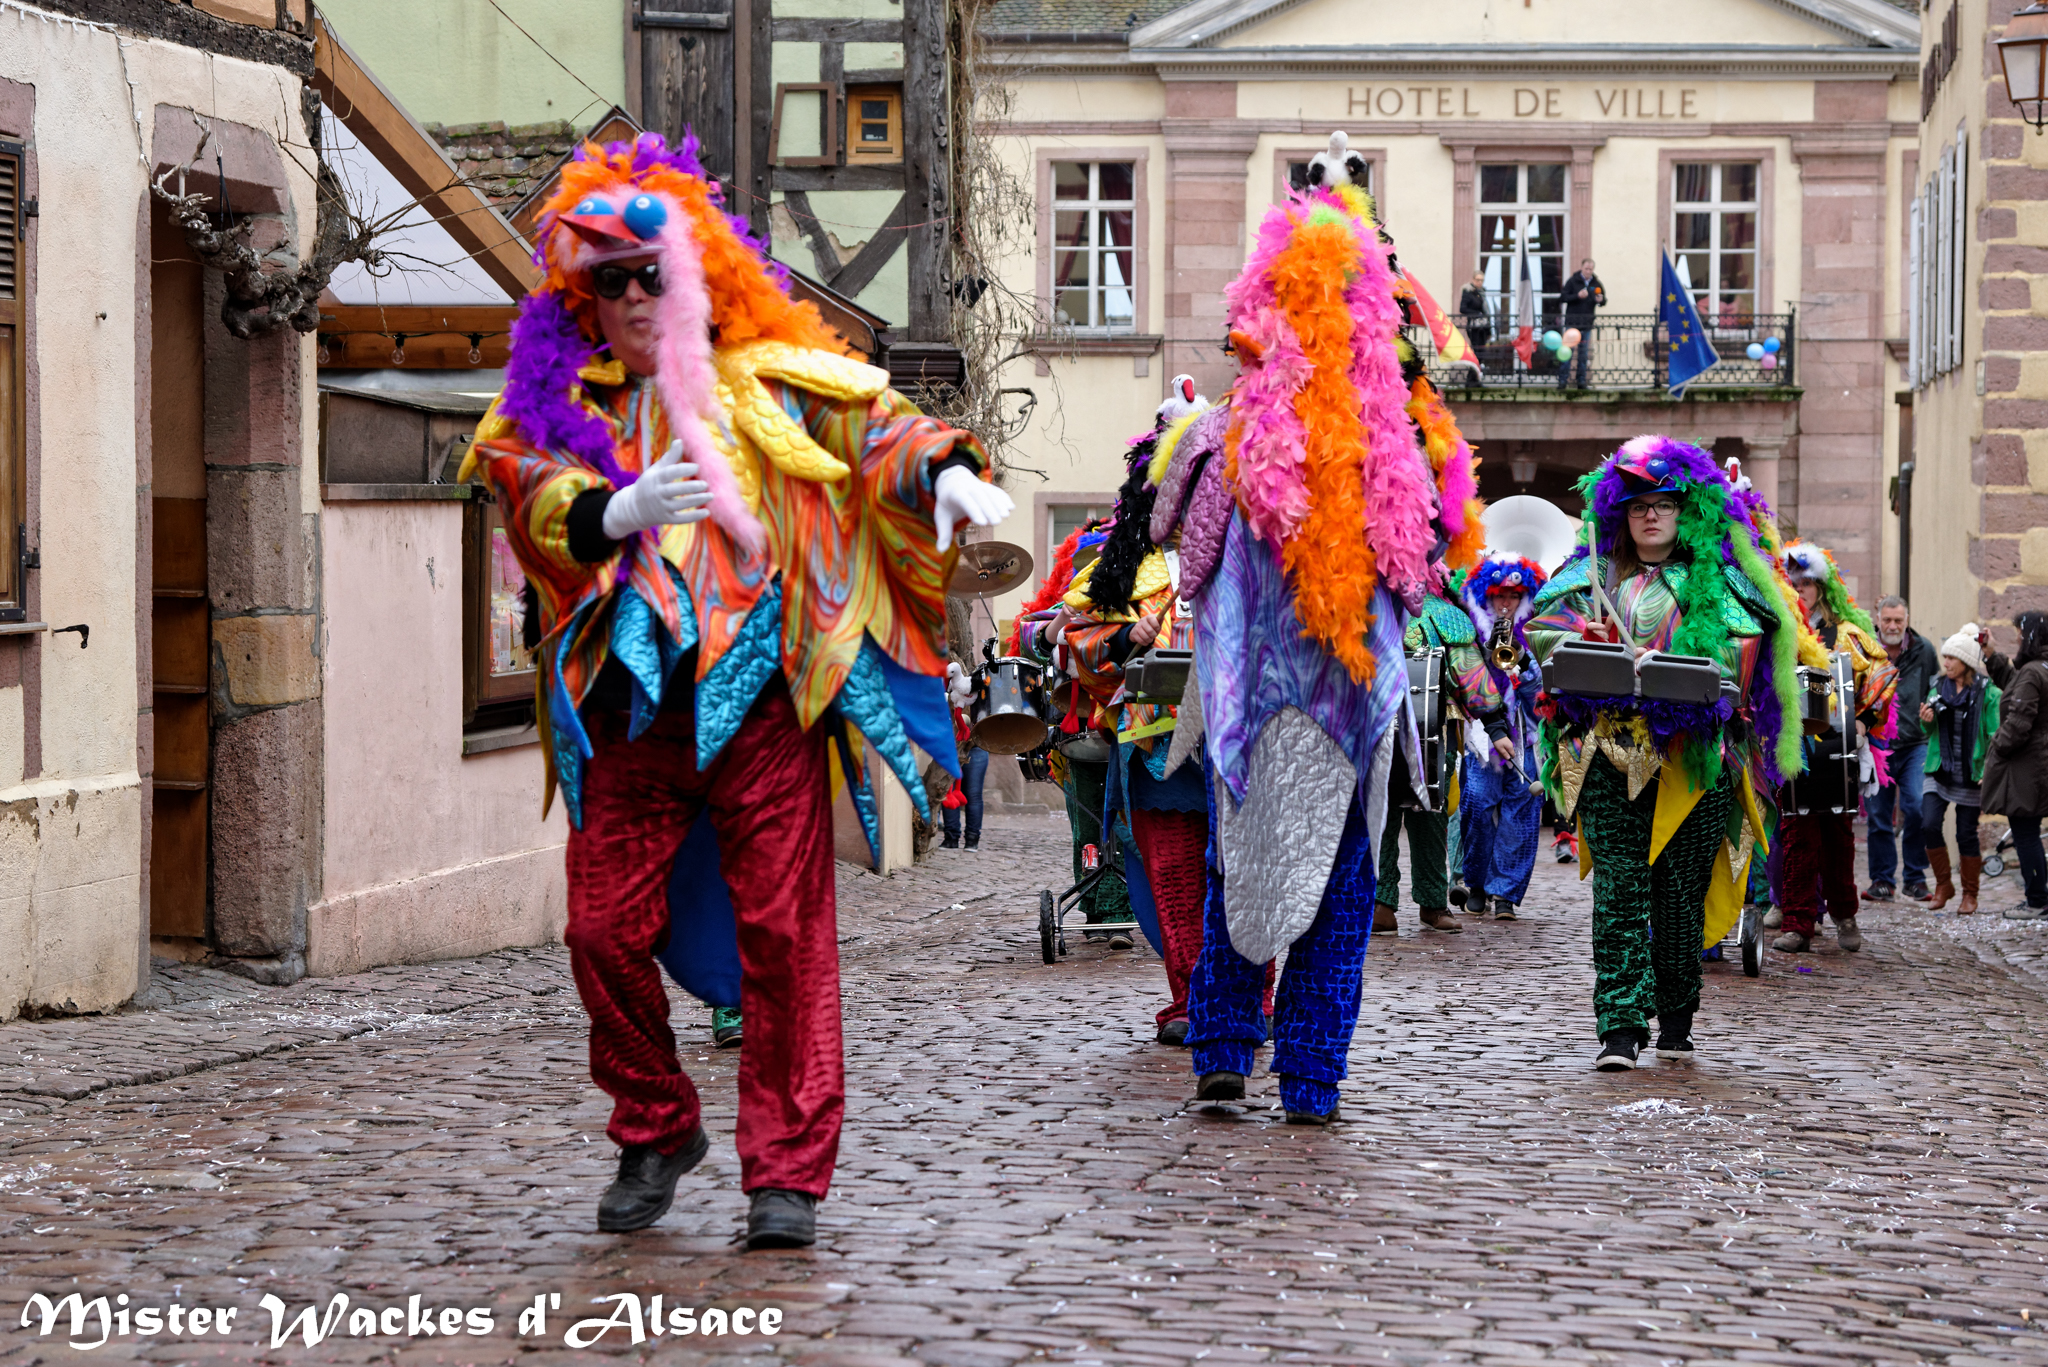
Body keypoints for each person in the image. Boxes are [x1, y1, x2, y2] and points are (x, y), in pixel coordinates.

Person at [463, 133, 1010, 1244]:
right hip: (629, 714)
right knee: (597, 928)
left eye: (645, 273)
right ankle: (656, 1121)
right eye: (601, 276)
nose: (624, 294)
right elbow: (519, 471)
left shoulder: (766, 382)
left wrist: (949, 469)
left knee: (784, 934)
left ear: (695, 272)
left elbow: (874, 422)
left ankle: (787, 1175)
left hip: (765, 706)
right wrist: (604, 512)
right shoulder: (566, 397)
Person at [1160, 134, 1485, 1122]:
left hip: (1349, 707)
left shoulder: (1403, 448)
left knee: (1341, 888)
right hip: (1252, 707)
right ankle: (1222, 1046)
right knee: (1237, 872)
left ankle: (1308, 1069)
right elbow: (1186, 557)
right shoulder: (1228, 435)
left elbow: (1428, 564)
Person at [1527, 437, 1803, 1070]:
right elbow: (1541, 633)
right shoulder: (1592, 571)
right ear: (1619, 512)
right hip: (1608, 752)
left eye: (1666, 503)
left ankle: (1677, 1015)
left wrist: (1673, 657)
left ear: (1688, 511)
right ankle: (1619, 1029)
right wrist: (1582, 636)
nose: (1651, 515)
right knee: (1618, 892)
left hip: (1695, 760)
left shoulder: (1717, 580)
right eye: (1638, 505)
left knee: (1679, 897)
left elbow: (1745, 650)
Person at [1054, 379, 1216, 1038]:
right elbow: (1068, 640)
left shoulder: (1251, 545)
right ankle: (1192, 996)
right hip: (1156, 745)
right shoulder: (1117, 559)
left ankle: (1243, 1001)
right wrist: (1126, 638)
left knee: (1242, 873)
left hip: (1242, 739)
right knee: (1174, 876)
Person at [1768, 543, 1897, 954]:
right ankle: (1798, 923)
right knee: (1796, 837)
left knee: (1838, 838)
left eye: (1808, 582)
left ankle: (1845, 915)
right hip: (1793, 748)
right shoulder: (1779, 632)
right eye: (1796, 583)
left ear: (1821, 587)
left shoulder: (1844, 633)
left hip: (1838, 749)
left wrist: (1864, 720)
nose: (1802, 589)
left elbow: (1882, 674)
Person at [1375, 570, 1498, 934]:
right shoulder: (1364, 602)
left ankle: (1431, 902)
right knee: (1379, 817)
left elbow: (1473, 679)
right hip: (1376, 728)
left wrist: (1496, 725)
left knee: (1430, 815)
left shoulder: (1446, 615)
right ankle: (1381, 902)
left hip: (1432, 729)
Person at [1457, 555, 1547, 920]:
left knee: (1523, 810)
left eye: (1513, 596)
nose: (1505, 604)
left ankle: (1505, 893)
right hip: (1482, 737)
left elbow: (1540, 694)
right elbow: (1464, 680)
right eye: (1498, 597)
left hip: (1522, 734)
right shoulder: (1469, 630)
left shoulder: (1535, 632)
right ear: (1487, 598)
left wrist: (1521, 661)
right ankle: (1477, 882)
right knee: (1477, 804)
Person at [1922, 630, 2004, 916]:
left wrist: (1991, 770)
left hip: (1973, 772)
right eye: (1945, 656)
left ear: (1967, 661)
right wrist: (1927, 721)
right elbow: (1928, 731)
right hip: (1940, 769)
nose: (1945, 662)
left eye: (1951, 657)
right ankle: (1944, 885)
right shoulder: (1937, 688)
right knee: (1929, 823)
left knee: (1966, 834)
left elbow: (1995, 734)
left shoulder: (1989, 693)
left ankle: (1970, 894)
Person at [1866, 596, 1937, 902]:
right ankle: (1882, 880)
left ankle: (1915, 878)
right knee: (1879, 814)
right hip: (1877, 743)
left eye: (1898, 620)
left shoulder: (1924, 650)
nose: (1893, 626)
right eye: (1887, 620)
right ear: (1878, 619)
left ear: (1907, 620)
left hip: (1915, 743)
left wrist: (1931, 709)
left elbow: (1936, 688)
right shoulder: (1865, 648)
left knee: (1917, 807)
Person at [1983, 611, 2048, 920]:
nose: (2019, 641)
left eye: (2021, 636)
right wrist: (1991, 655)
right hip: (2036, 764)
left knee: (2025, 832)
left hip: (2028, 767)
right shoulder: (2037, 670)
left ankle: (2037, 901)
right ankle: (2038, 898)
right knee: (2028, 831)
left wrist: (1994, 748)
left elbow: (2018, 722)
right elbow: (2014, 686)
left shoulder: (2035, 672)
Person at [939, 659, 988, 850]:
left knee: (973, 794)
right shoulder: (949, 685)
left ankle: (972, 840)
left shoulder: (981, 686)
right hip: (950, 743)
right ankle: (951, 838)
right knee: (948, 790)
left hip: (975, 744)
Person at [1556, 258, 1604, 390]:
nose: (1588, 271)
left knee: (1583, 355)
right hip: (1572, 323)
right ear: (1582, 268)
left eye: (1590, 269)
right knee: (1567, 353)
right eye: (1586, 269)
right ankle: (1562, 381)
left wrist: (1600, 300)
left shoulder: (1595, 283)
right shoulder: (1572, 281)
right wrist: (1577, 296)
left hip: (1587, 324)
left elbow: (1602, 298)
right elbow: (1563, 297)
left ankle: (1581, 381)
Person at [1458, 270, 1492, 348]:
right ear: (1473, 280)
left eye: (1482, 280)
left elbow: (1485, 310)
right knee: (1477, 348)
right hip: (1473, 326)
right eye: (1478, 280)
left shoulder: (1482, 292)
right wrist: (1477, 314)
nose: (1480, 282)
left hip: (1483, 325)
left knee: (1483, 349)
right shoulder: (1468, 292)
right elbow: (1462, 308)